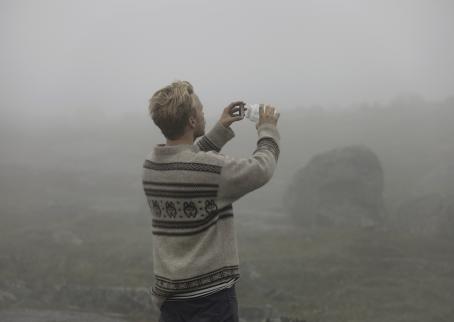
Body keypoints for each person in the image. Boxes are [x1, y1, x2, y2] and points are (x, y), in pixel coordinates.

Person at [142, 80, 280, 322]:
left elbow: (187, 162)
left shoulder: (151, 165)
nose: (205, 112)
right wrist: (267, 129)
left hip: (171, 302)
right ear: (192, 121)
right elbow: (261, 169)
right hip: (211, 303)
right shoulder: (209, 170)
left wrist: (220, 128)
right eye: (201, 109)